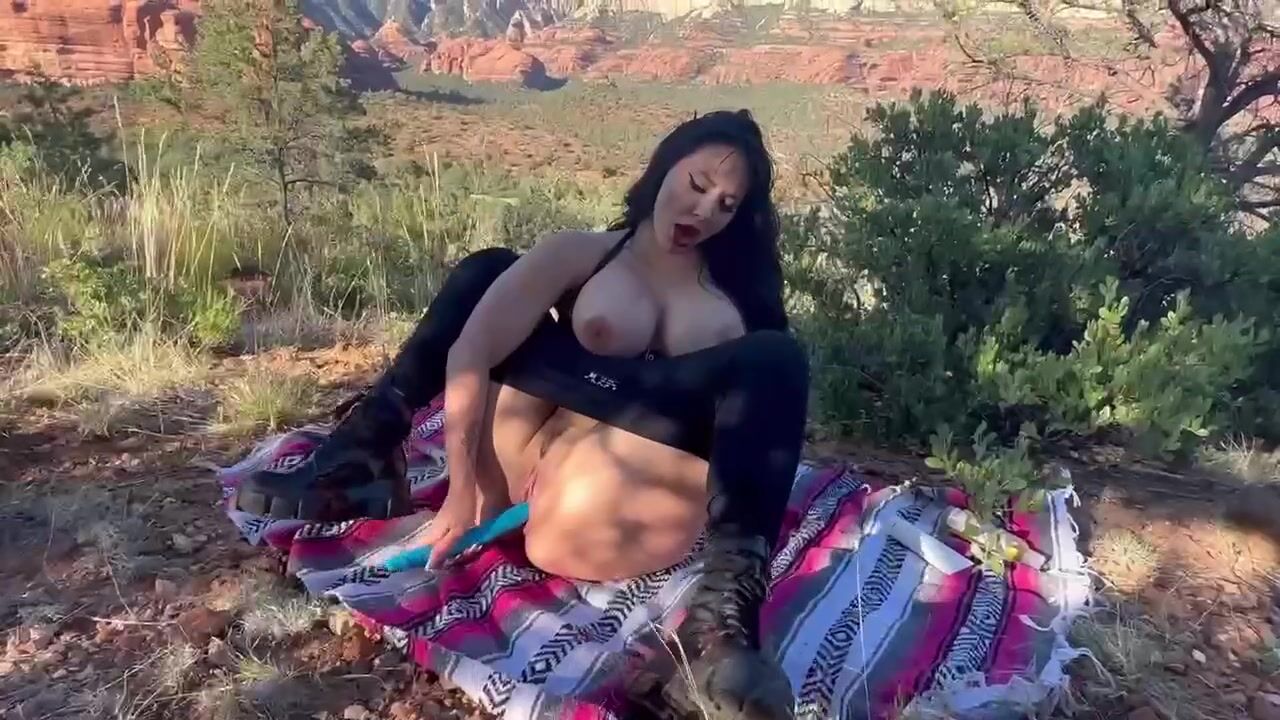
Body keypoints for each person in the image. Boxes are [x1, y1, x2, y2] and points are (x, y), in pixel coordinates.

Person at [233, 109, 809, 720]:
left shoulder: (736, 297)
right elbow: (472, 350)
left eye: (725, 205)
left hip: (647, 448)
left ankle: (720, 629)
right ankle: (364, 449)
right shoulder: (585, 253)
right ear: (665, 167)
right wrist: (459, 493)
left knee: (777, 357)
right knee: (488, 269)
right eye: (697, 184)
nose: (704, 210)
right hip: (544, 434)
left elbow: (758, 425)